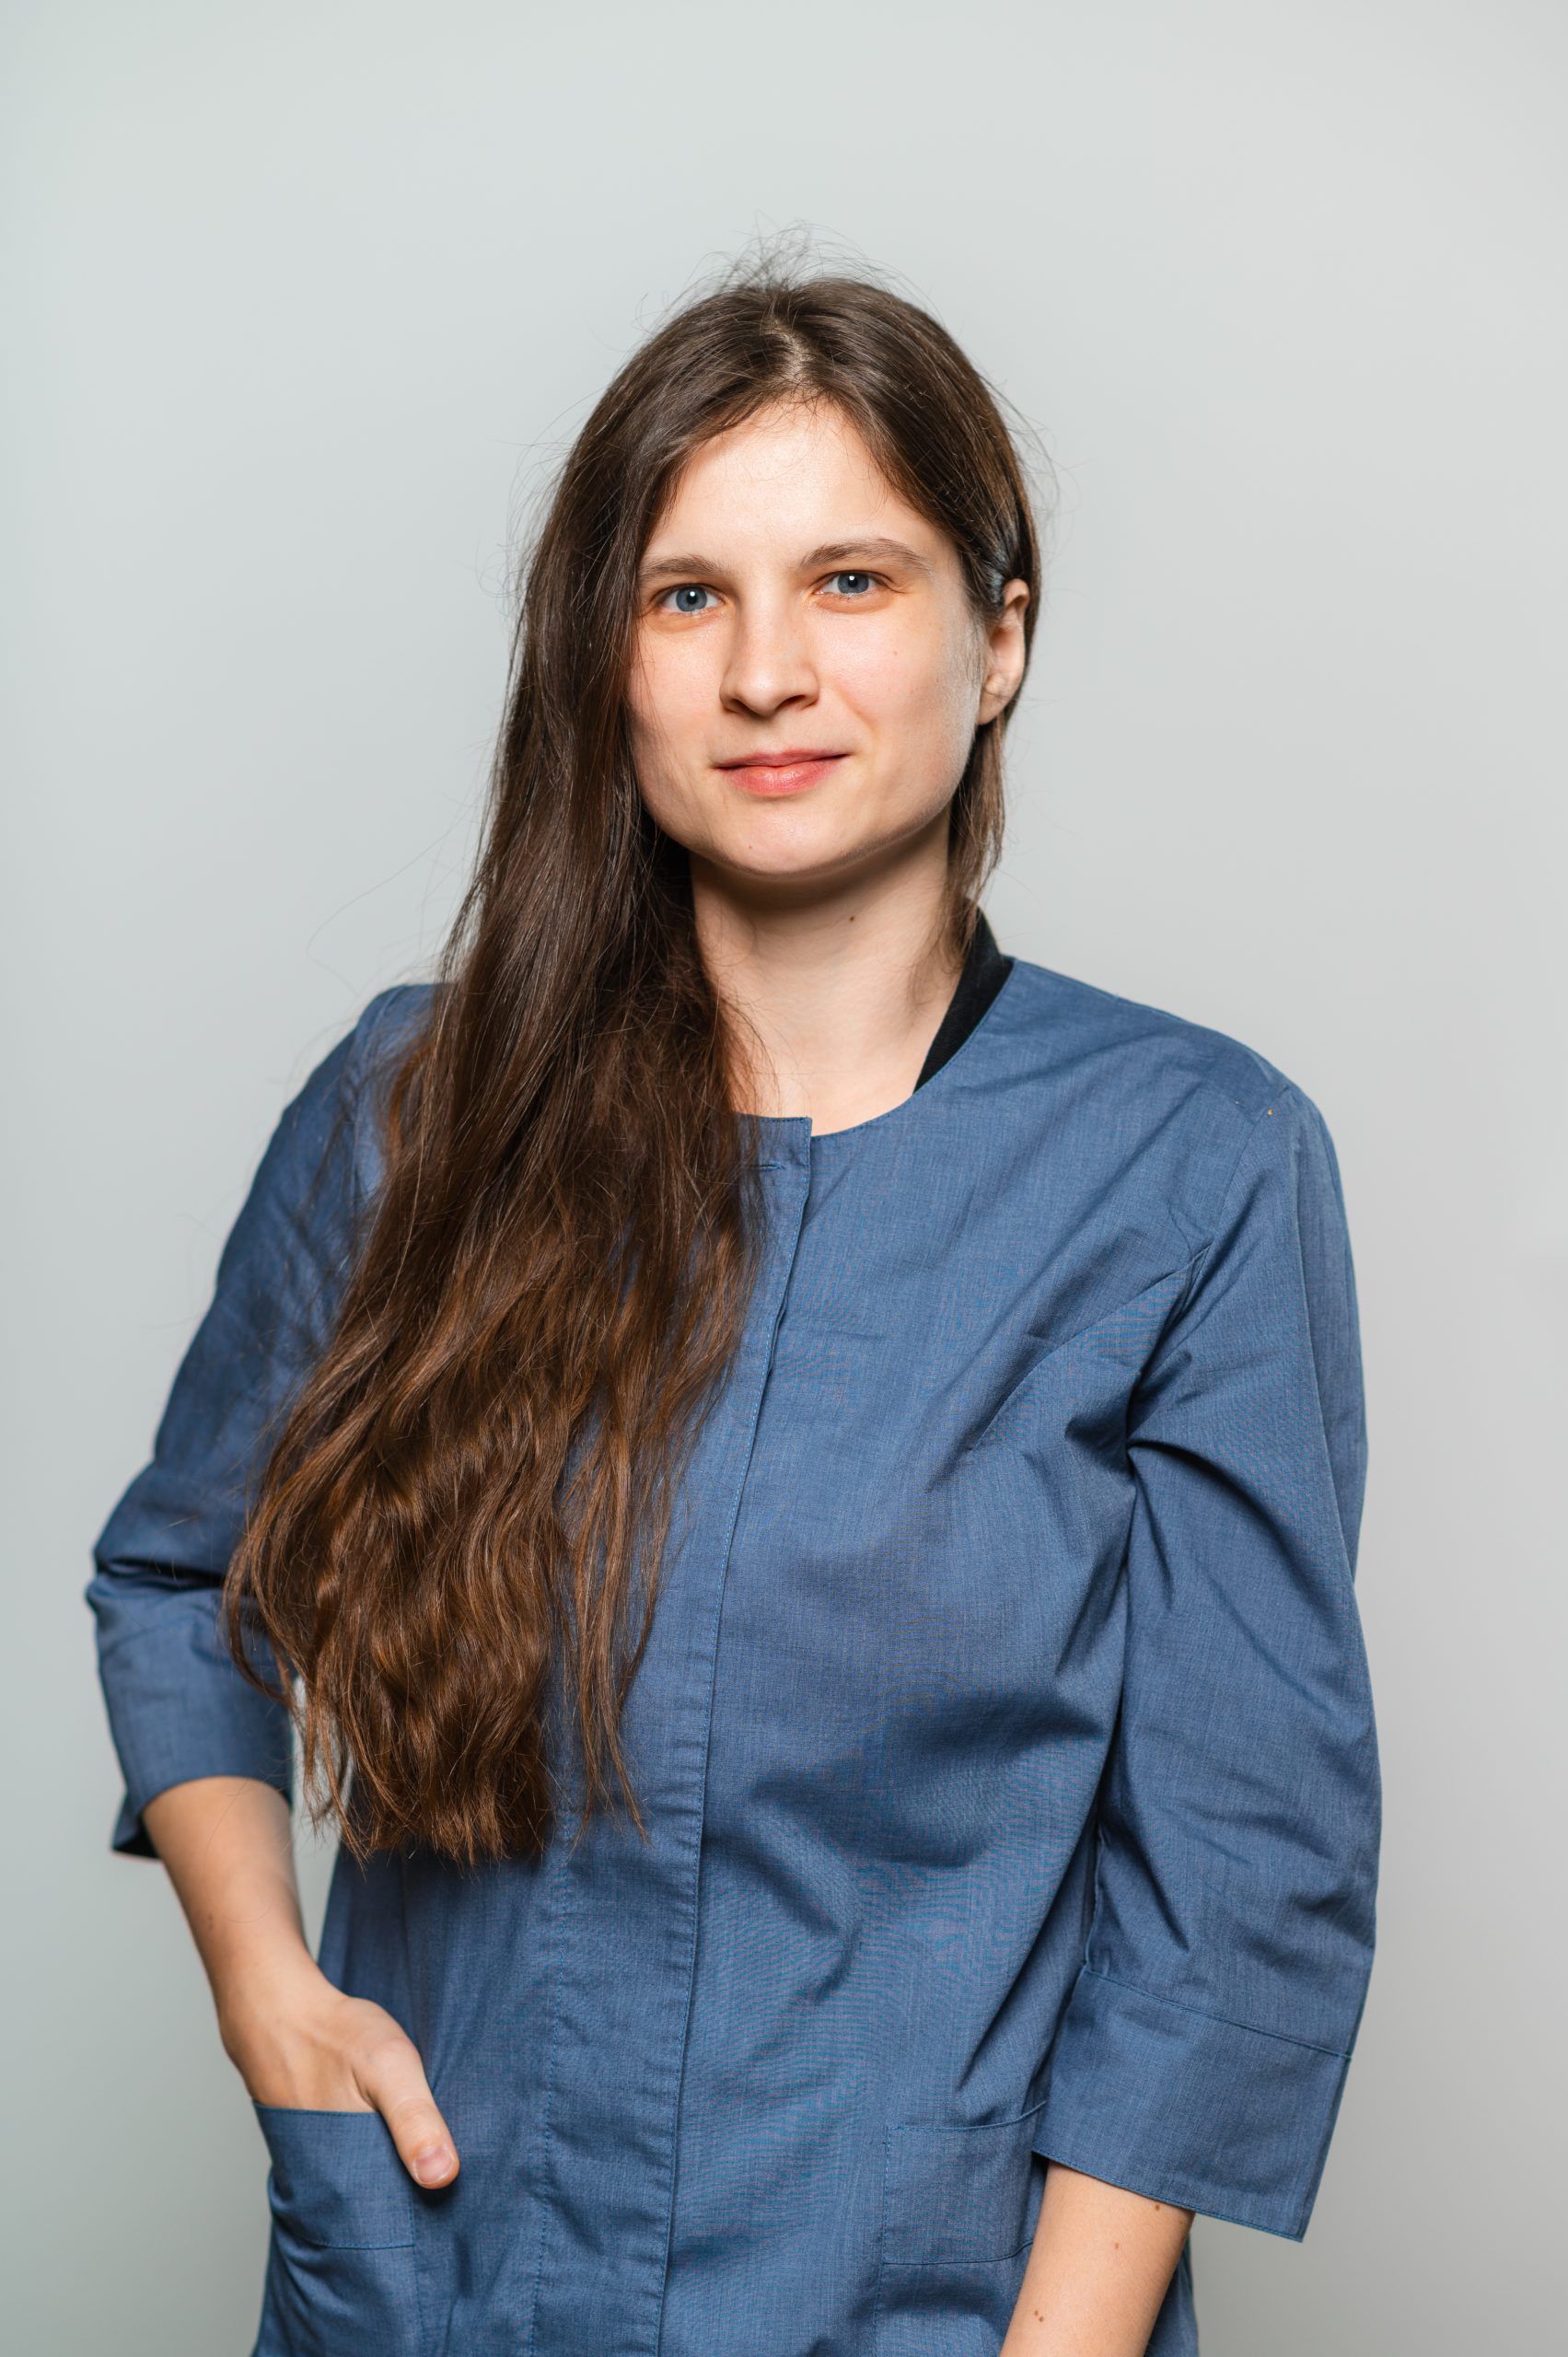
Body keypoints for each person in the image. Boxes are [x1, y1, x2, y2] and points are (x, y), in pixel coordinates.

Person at [86, 261, 1381, 2357]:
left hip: (933, 2303)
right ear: (605, 657)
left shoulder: (1193, 1162)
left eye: (852, 580)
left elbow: (1236, 1881)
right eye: (688, 596)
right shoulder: (417, 1109)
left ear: (1000, 635)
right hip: (440, 2282)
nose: (768, 672)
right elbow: (177, 1580)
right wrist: (268, 1993)